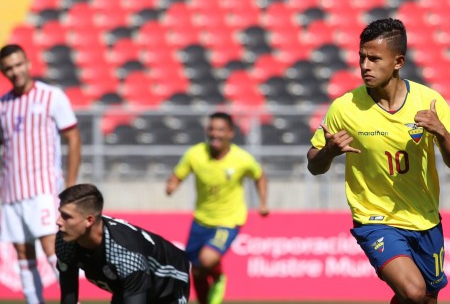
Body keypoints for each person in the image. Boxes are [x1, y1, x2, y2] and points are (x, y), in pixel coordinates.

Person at [307, 18, 450, 304]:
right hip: (375, 218)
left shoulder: (429, 101)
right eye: (362, 58)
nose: (365, 66)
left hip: (424, 218)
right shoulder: (344, 108)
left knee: (425, 299)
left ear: (398, 62)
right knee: (413, 291)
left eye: (374, 58)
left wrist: (441, 132)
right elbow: (313, 165)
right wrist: (328, 151)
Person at [0, 44, 81, 303]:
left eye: (18, 65)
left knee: (52, 249)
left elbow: (73, 138)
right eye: (8, 68)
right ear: (4, 73)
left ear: (28, 63)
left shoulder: (51, 96)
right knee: (23, 255)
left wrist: (69, 187)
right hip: (11, 193)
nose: (15, 71)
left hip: (44, 189)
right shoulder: (3, 105)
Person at [165, 111, 269, 304]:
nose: (215, 134)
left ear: (230, 133)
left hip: (229, 221)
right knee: (195, 271)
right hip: (201, 220)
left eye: (220, 130)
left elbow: (260, 175)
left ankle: (219, 276)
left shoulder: (242, 159)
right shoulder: (195, 154)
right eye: (211, 129)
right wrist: (172, 185)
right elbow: (178, 175)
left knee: (207, 260)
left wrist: (263, 202)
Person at [55, 183, 190, 304]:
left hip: (168, 285)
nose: (58, 221)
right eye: (60, 213)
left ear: (89, 220)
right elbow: (68, 296)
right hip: (130, 286)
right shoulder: (65, 240)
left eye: (67, 216)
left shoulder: (125, 254)